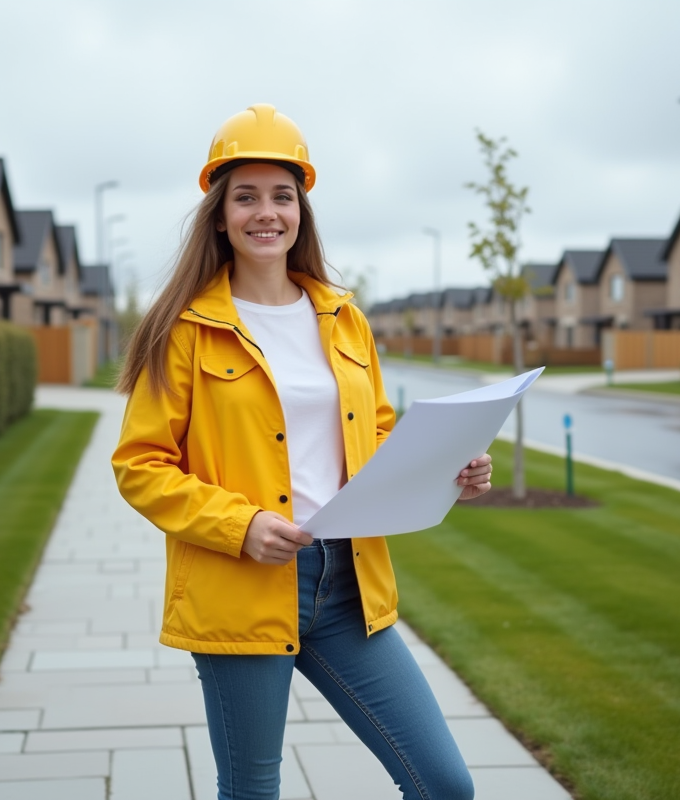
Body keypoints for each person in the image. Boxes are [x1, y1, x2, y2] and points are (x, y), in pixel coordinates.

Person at [112, 103, 492, 800]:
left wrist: (447, 466)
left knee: (444, 784)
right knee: (253, 790)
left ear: (301, 210)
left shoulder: (345, 318)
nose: (267, 212)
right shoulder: (185, 330)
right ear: (220, 214)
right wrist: (242, 525)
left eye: (282, 196)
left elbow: (376, 438)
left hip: (348, 587)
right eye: (246, 197)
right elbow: (140, 467)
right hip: (242, 588)